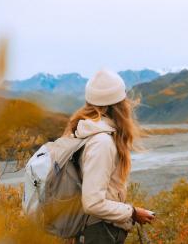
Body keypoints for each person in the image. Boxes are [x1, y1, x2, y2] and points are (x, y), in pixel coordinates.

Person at [63, 69, 155, 244]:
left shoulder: (85, 133)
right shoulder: (101, 143)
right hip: (99, 233)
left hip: (89, 230)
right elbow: (93, 203)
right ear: (119, 105)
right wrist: (133, 212)